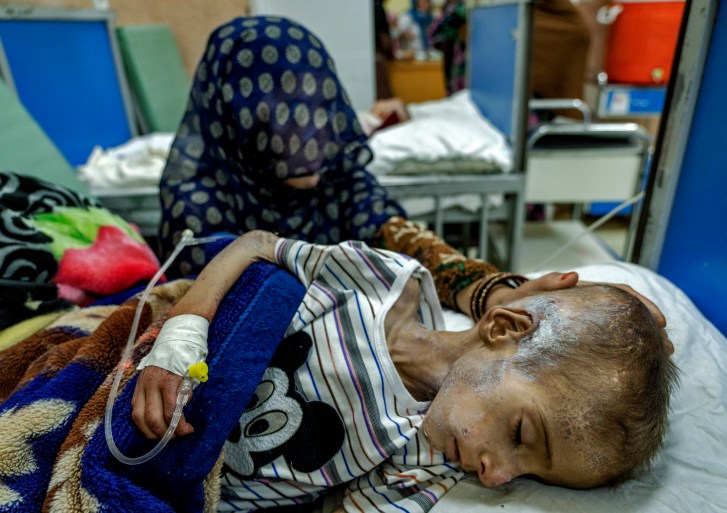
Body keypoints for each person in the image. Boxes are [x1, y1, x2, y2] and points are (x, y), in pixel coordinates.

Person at [132, 229, 677, 511]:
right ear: (504, 329)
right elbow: (255, 250)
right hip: (156, 376)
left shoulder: (427, 460)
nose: (496, 475)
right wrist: (182, 336)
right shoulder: (382, 281)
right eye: (519, 434)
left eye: (527, 475)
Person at [157, 15, 531, 318]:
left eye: (319, 109)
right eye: (286, 115)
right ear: (236, 119)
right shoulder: (196, 202)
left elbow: (402, 238)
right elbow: (244, 297)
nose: (312, 135)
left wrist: (486, 292)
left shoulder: (339, 176)